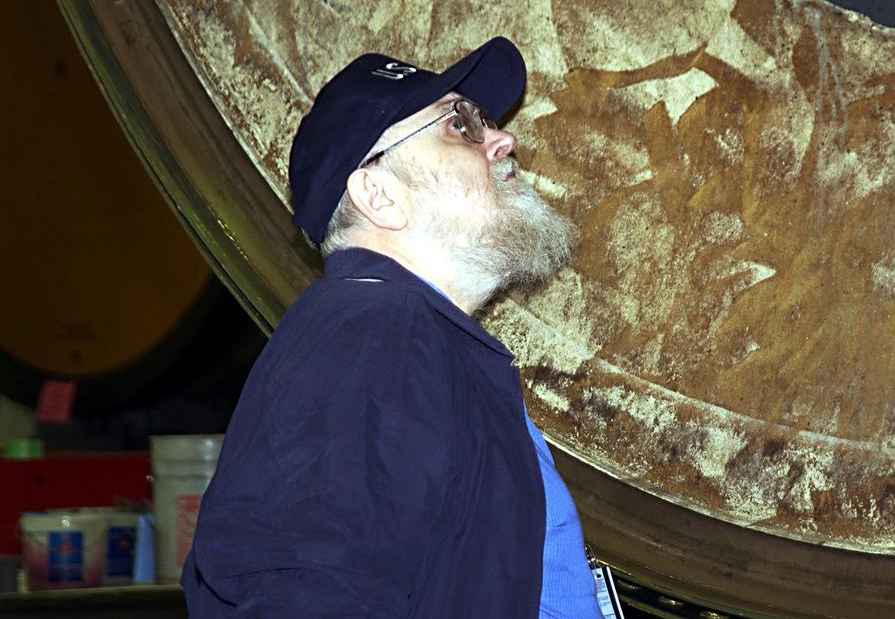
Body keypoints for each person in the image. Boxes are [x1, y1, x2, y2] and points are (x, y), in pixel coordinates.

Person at [182, 37, 605, 618]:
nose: (504, 138)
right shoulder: (371, 335)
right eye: (460, 124)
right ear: (380, 195)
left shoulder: (415, 341)